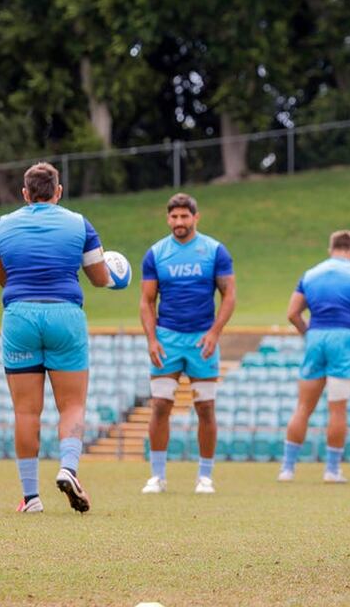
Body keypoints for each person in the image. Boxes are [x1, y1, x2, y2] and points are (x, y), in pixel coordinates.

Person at [0, 162, 111, 514]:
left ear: (25, 194)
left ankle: (30, 498)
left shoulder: (3, 225)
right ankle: (68, 468)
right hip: (65, 316)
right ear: (58, 191)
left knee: (26, 411)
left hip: (19, 316)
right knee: (71, 405)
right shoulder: (79, 223)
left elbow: (3, 276)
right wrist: (115, 275)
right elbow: (100, 277)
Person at [139, 193, 236, 495]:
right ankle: (157, 476)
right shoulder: (155, 254)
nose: (179, 222)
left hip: (201, 340)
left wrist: (215, 333)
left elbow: (229, 295)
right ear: (168, 219)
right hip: (167, 339)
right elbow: (146, 300)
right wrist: (152, 339)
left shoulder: (215, 251)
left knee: (205, 407)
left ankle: (204, 477)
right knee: (160, 406)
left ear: (196, 218)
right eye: (174, 217)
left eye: (184, 216)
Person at [277, 230, 350, 483]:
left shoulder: (310, 274)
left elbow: (292, 313)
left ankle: (287, 469)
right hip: (344, 339)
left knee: (303, 407)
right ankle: (332, 470)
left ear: (330, 249)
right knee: (337, 409)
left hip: (316, 336)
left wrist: (308, 334)